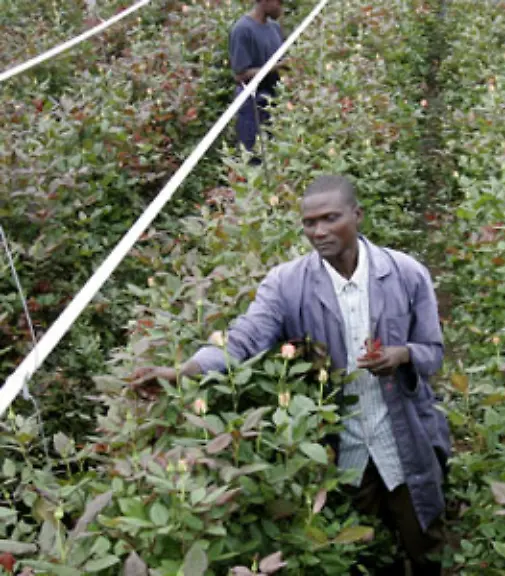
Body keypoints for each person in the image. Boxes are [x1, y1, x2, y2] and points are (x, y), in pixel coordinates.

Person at [131, 175, 451, 575]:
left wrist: (402, 355)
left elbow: (433, 353)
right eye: (309, 223)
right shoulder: (286, 284)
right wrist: (184, 371)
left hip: (402, 438)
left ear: (357, 215)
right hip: (342, 449)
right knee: (361, 556)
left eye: (330, 218)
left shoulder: (406, 273)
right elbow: (244, 338)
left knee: (424, 544)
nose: (319, 232)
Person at [229, 0, 289, 156]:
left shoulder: (274, 28)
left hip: (273, 101)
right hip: (252, 104)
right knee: (253, 156)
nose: (281, 7)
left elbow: (282, 60)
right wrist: (276, 66)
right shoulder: (243, 30)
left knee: (275, 154)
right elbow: (240, 75)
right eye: (279, 2)